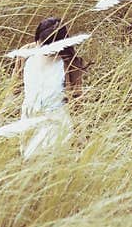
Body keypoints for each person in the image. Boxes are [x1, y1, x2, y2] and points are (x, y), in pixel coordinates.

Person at [11, 17, 88, 159]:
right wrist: (0, 118)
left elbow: (77, 100)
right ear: (37, 40)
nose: (48, 51)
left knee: (54, 165)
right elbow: (14, 88)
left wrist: (80, 135)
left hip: (57, 121)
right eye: (44, 46)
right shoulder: (25, 54)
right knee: (29, 165)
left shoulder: (69, 63)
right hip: (29, 117)